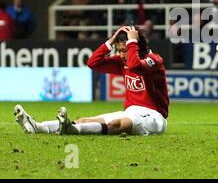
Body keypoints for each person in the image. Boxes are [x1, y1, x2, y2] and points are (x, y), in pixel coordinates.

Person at [14, 26, 169, 136]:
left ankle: (70, 131)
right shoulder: (123, 62)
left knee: (115, 125)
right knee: (84, 120)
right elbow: (93, 63)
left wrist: (132, 42)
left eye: (124, 51)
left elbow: (136, 65)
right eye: (120, 51)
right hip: (130, 112)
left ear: (135, 46)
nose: (122, 55)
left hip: (153, 116)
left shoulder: (154, 60)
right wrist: (110, 42)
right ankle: (39, 127)